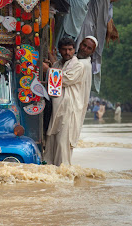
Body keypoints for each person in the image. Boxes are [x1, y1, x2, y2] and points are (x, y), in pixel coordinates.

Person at [44, 37, 85, 166]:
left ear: (74, 50)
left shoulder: (78, 65)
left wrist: (47, 70)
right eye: (64, 49)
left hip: (69, 109)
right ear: (59, 51)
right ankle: (52, 173)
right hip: (56, 109)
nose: (67, 52)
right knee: (51, 142)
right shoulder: (57, 65)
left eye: (70, 49)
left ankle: (64, 173)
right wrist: (50, 69)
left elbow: (66, 79)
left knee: (63, 142)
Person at [77, 36, 98, 126]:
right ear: (80, 44)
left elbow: (65, 78)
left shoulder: (82, 64)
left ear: (92, 52)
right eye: (84, 45)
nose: (85, 49)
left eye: (89, 48)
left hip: (75, 107)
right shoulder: (78, 60)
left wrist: (49, 70)